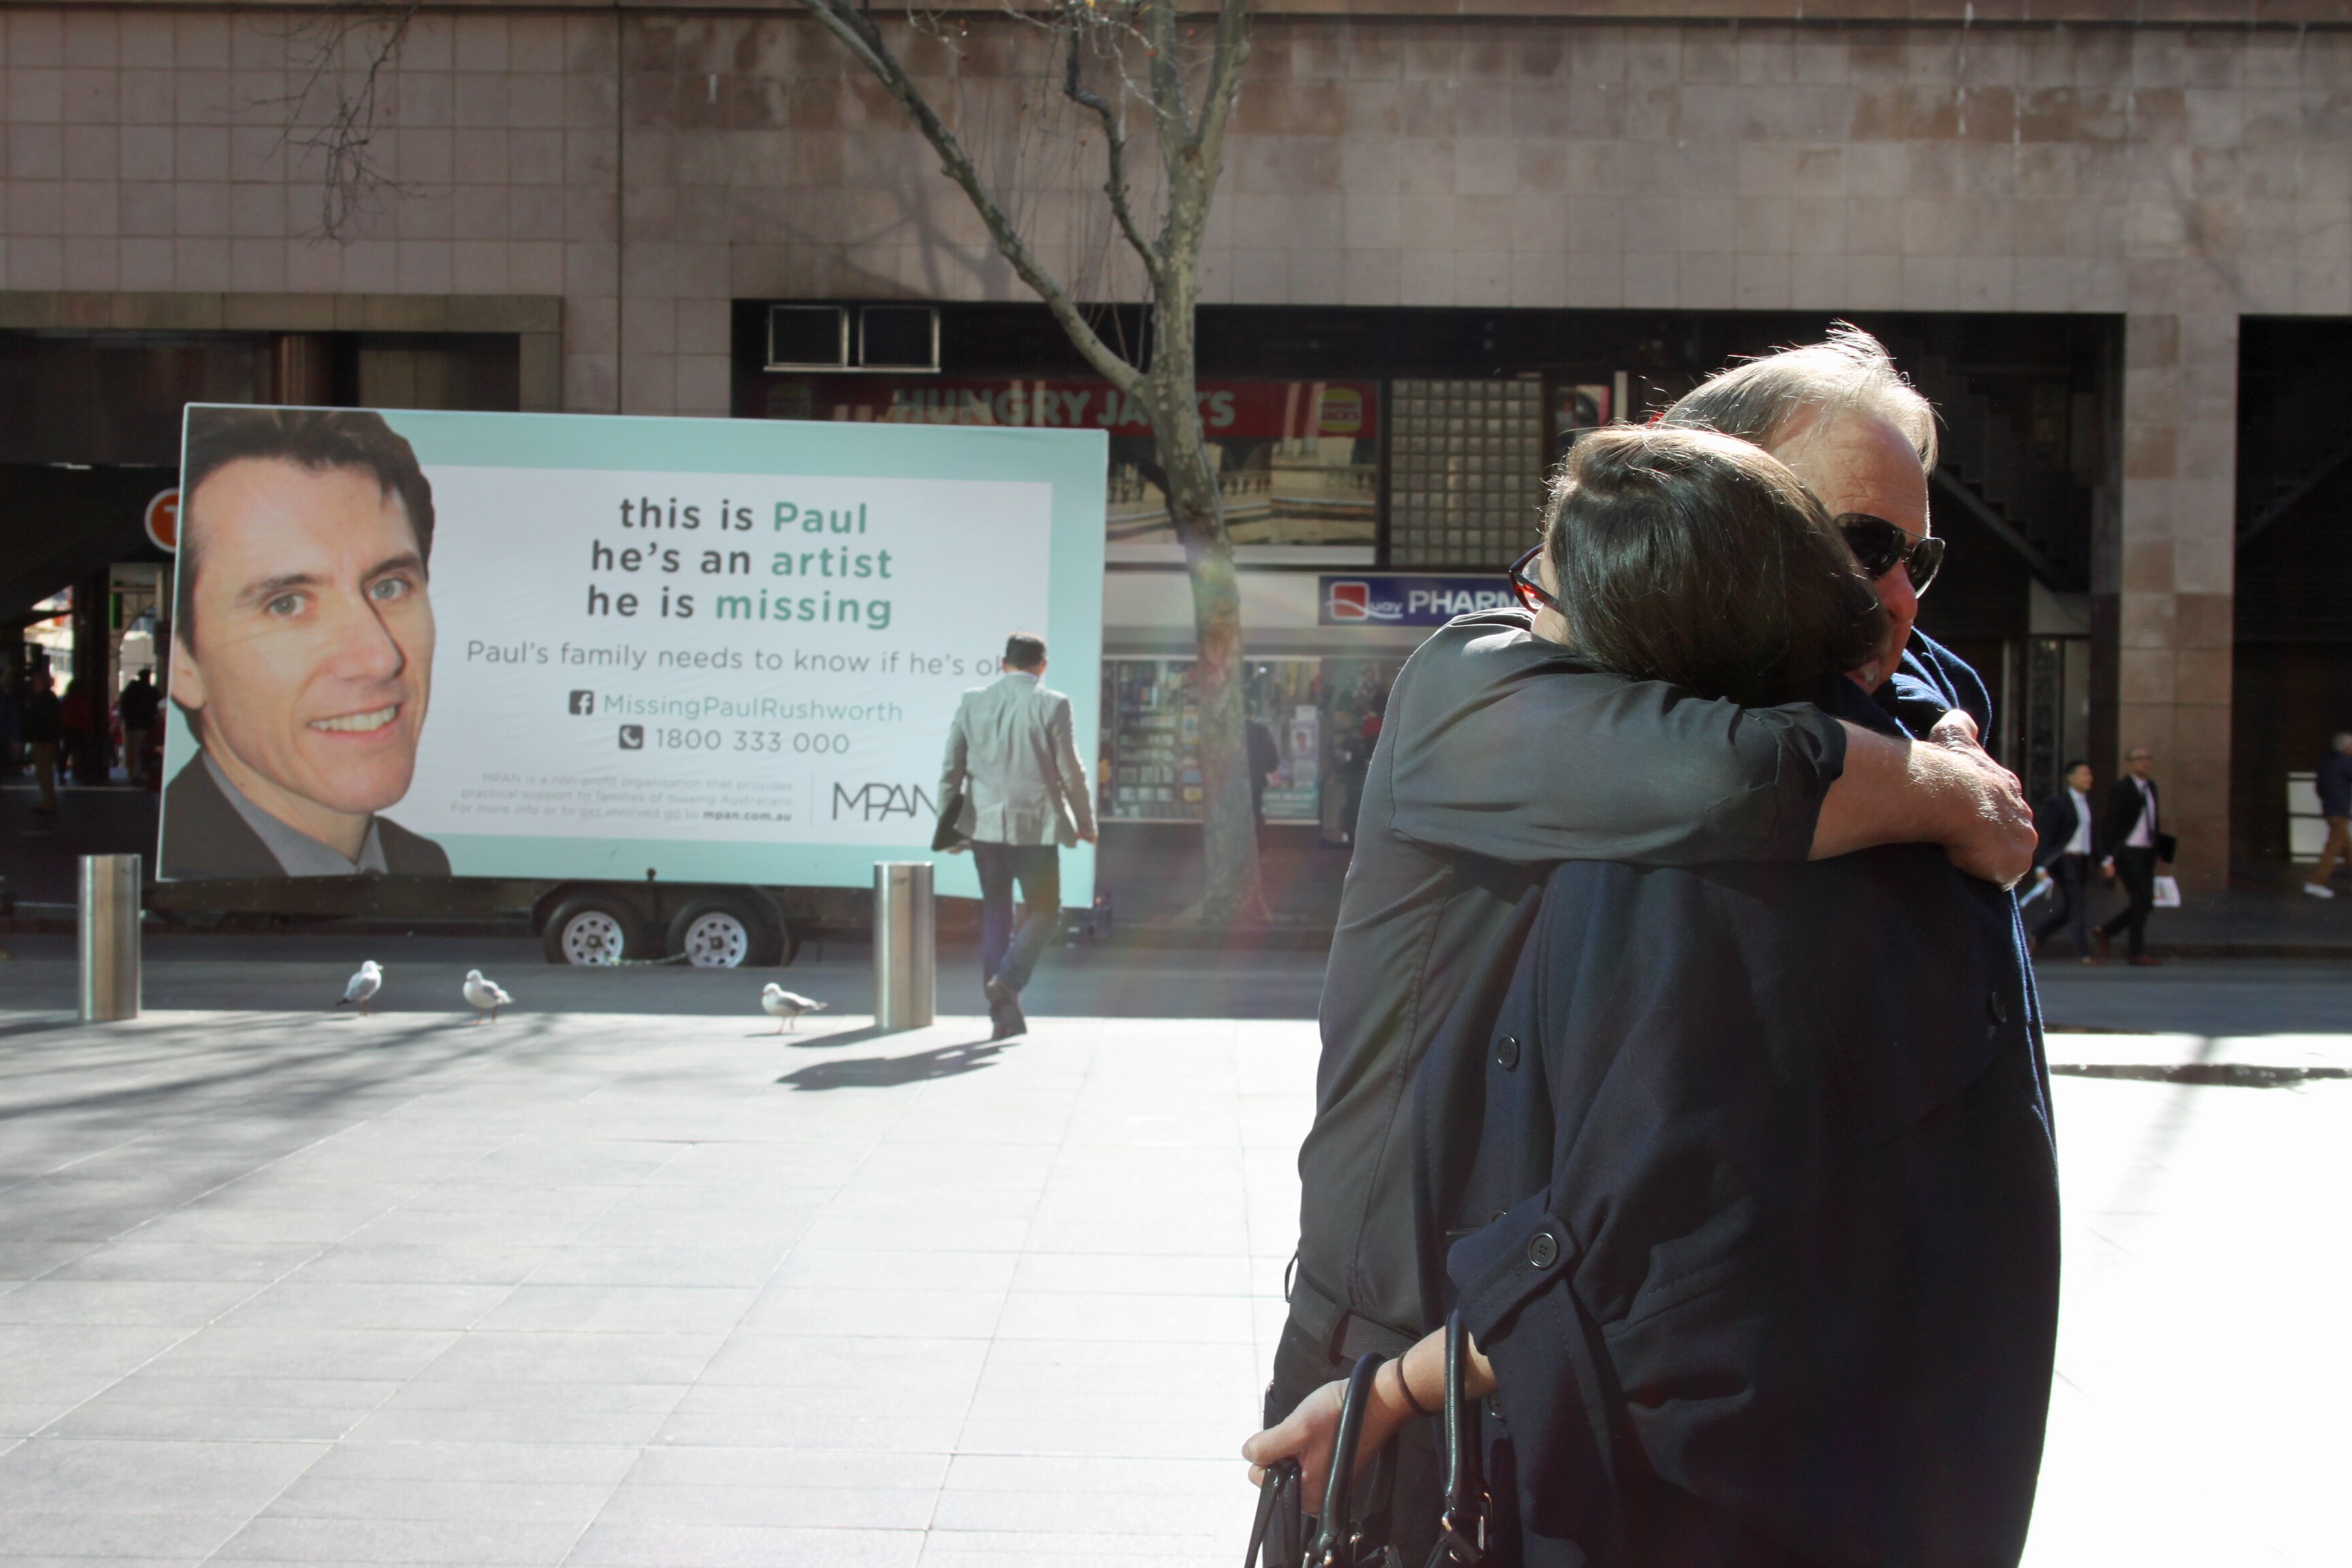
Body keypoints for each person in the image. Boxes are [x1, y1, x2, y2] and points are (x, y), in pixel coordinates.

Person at [1266, 327, 2038, 1561]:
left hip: (1570, 1378)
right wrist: (1952, 787)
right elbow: (1743, 777)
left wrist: (1948, 745)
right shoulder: (1485, 681)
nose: (1892, 596)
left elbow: (1668, 1211)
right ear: (1711, 508)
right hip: (1397, 1340)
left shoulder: (1874, 714)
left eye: (1918, 556)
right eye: (1857, 545)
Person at [162, 408, 449, 879]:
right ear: (184, 663)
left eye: (388, 587)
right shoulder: (183, 874)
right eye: (286, 604)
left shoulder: (422, 863)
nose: (379, 658)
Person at [938, 632, 1097, 1041]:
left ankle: (1002, 1015)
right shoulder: (1054, 704)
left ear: (1002, 663)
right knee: (1045, 911)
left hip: (985, 826)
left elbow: (951, 768)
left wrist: (949, 828)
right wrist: (1086, 821)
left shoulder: (973, 701)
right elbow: (1071, 771)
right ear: (1042, 666)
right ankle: (1007, 981)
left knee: (996, 913)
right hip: (1035, 827)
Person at [2095, 745, 2170, 965]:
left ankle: (2107, 931)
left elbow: (2155, 822)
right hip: (2127, 851)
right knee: (2142, 899)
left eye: (2148, 758)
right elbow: (2112, 823)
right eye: (2139, 759)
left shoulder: (2151, 788)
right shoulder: (2122, 788)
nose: (2145, 762)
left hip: (2147, 851)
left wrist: (2161, 852)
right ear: (2129, 762)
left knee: (2145, 902)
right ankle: (2135, 951)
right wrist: (2108, 855)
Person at [2031, 760, 2100, 961]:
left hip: (2083, 860)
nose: (2089, 778)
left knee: (2070, 907)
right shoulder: (2060, 804)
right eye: (2084, 774)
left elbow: (2095, 835)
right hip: (2065, 860)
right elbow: (2049, 836)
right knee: (2078, 904)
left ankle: (2037, 935)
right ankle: (2084, 953)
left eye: (2090, 774)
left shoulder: (2089, 804)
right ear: (2071, 778)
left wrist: (2104, 861)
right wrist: (2041, 865)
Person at [2303, 732, 2352, 897]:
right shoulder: (2345, 761)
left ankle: (2316, 883)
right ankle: (2315, 883)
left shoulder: (2326, 761)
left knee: (2347, 848)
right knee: (2333, 849)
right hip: (2340, 811)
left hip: (2330, 810)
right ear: (2347, 747)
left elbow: (2318, 787)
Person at [20, 670, 62, 815]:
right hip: (45, 739)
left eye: (36, 682)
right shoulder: (49, 699)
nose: (34, 685)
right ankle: (48, 800)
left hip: (42, 739)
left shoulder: (42, 700)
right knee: (44, 771)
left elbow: (39, 720)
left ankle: (48, 801)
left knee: (44, 771)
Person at [118, 670, 161, 787]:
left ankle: (132, 772)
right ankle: (138, 773)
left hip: (131, 725)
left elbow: (123, 706)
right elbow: (156, 706)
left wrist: (121, 721)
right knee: (140, 750)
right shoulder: (151, 691)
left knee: (131, 749)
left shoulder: (130, 690)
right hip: (145, 725)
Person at [1247, 718, 1281, 828]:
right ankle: (1258, 843)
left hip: (1232, 786)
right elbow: (1273, 762)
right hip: (1256, 783)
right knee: (1256, 813)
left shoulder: (1228, 732)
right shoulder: (1262, 732)